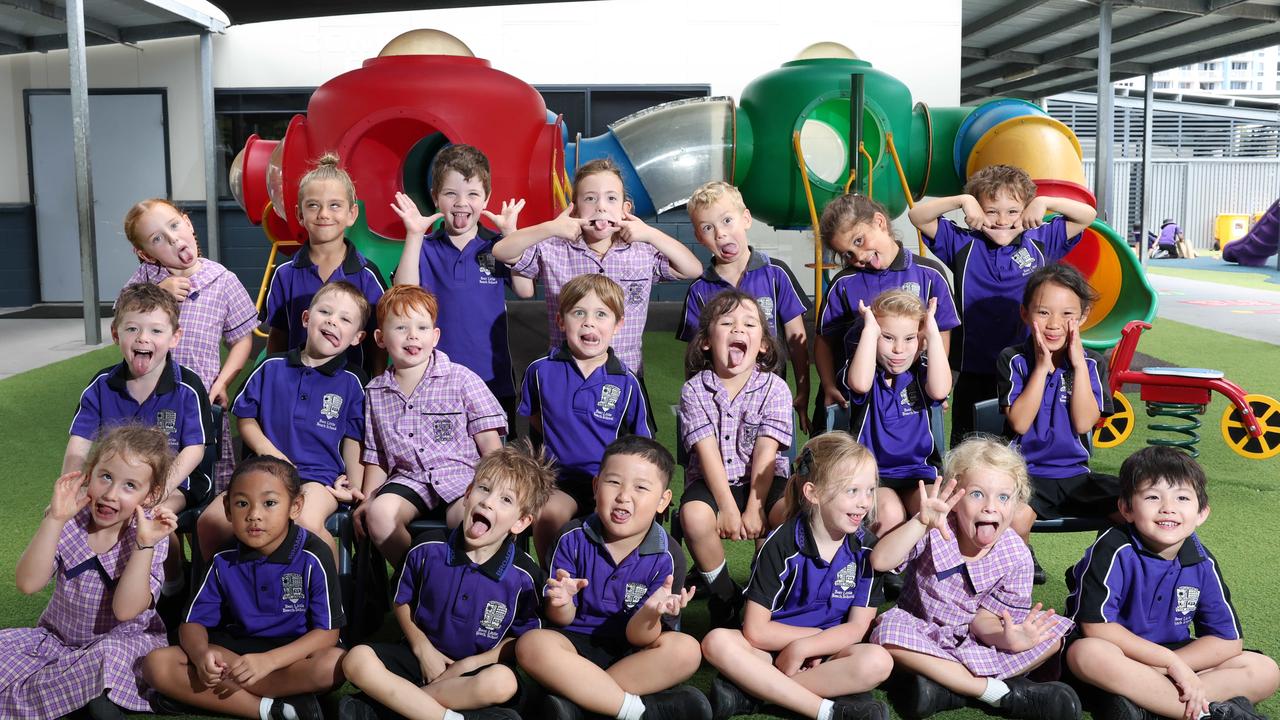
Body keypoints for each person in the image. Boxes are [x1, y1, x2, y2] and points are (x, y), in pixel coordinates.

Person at [339, 442, 558, 720]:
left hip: (472, 675)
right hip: (417, 660)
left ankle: (392, 709)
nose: (488, 502)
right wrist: (422, 648)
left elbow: (521, 640)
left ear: (521, 522)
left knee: (503, 682)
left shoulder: (525, 576)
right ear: (467, 495)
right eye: (484, 488)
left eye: (506, 500)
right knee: (356, 659)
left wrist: (467, 665)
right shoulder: (426, 548)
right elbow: (402, 601)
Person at [869, 436, 1078, 720]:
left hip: (975, 642)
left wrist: (1009, 638)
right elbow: (880, 561)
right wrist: (919, 521)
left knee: (1052, 636)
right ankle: (994, 693)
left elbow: (984, 621)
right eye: (977, 494)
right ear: (955, 499)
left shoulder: (1016, 554)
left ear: (1017, 503)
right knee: (887, 634)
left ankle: (946, 690)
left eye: (1003, 497)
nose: (991, 507)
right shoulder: (934, 528)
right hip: (919, 632)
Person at [1064, 447, 1279, 720]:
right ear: (1127, 508)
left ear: (1201, 513)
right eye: (1153, 496)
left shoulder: (1201, 561)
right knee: (1087, 653)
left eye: (1182, 497)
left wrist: (1174, 666)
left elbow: (1227, 642)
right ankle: (1205, 714)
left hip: (1169, 661)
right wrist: (1170, 663)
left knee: (1264, 670)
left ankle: (1151, 706)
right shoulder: (1113, 547)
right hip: (1119, 656)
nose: (1168, 508)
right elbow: (1097, 629)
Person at [492, 158, 701, 425]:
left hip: (625, 377)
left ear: (625, 209)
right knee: (560, 455)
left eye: (611, 198)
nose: (601, 206)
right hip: (566, 376)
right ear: (576, 208)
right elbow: (501, 251)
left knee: (629, 458)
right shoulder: (554, 247)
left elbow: (692, 268)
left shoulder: (642, 250)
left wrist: (649, 233)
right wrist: (552, 227)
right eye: (590, 199)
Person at [515, 436, 710, 720]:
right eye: (614, 482)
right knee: (531, 644)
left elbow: (640, 636)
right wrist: (561, 602)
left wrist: (651, 613)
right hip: (572, 648)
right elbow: (561, 620)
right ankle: (639, 711)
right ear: (596, 487)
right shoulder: (571, 537)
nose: (623, 495)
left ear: (663, 501)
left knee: (687, 650)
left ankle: (579, 702)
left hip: (632, 654)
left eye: (641, 488)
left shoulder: (668, 555)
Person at [701, 433, 893, 720]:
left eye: (870, 490)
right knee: (716, 642)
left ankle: (756, 693)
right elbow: (756, 631)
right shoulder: (780, 544)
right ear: (813, 493)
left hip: (830, 651)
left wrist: (808, 647)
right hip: (771, 649)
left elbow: (856, 629)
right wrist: (801, 644)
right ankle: (827, 710)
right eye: (852, 491)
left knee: (877, 662)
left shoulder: (869, 548)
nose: (864, 502)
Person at [142, 457, 345, 720]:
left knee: (335, 665)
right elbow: (192, 624)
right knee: (156, 664)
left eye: (270, 503)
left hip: (293, 656)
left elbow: (327, 634)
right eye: (241, 504)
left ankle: (208, 697)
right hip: (235, 653)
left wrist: (268, 662)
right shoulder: (222, 557)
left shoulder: (313, 554)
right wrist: (202, 655)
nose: (254, 515)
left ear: (295, 507)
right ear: (227, 510)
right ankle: (272, 710)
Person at [907, 165, 1096, 446]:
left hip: (1029, 366)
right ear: (977, 211)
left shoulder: (1041, 240)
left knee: (1020, 445)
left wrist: (1044, 202)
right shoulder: (962, 243)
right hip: (974, 368)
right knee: (970, 448)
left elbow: (1087, 215)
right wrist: (962, 200)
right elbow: (916, 216)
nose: (1002, 220)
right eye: (991, 211)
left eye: (1013, 211)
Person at [1, 425, 176, 720]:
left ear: (151, 495)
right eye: (105, 477)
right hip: (56, 641)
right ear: (89, 474)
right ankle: (71, 698)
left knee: (105, 660)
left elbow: (125, 611)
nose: (110, 494)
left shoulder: (149, 535)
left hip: (119, 644)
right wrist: (55, 519)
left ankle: (72, 698)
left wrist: (144, 546)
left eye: (130, 486)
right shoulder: (71, 519)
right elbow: (28, 583)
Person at [195, 281, 371, 562]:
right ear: (306, 318)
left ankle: (328, 601)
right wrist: (272, 454)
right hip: (263, 473)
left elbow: (354, 438)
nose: (332, 321)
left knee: (304, 527)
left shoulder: (354, 382)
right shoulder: (270, 367)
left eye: (345, 319)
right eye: (325, 311)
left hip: (318, 481)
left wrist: (352, 485)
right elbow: (246, 419)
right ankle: (219, 596)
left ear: (357, 338)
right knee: (211, 522)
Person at [66, 282, 213, 596]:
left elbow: (195, 449)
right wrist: (73, 483)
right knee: (74, 512)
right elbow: (79, 444)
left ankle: (171, 585)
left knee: (150, 516)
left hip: (177, 483)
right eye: (132, 328)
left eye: (156, 331)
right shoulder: (101, 385)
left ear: (175, 337)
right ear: (116, 334)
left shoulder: (188, 387)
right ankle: (92, 585)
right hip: (116, 480)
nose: (144, 338)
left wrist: (161, 489)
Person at [359, 285, 507, 564]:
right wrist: (368, 498)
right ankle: (419, 584)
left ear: (435, 336)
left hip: (462, 478)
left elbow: (491, 447)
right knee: (379, 514)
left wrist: (492, 490)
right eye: (401, 327)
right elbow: (377, 457)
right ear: (380, 337)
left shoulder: (462, 379)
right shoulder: (375, 392)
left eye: (422, 327)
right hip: (408, 479)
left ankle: (457, 587)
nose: (412, 335)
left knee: (470, 520)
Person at [391, 144, 535, 430]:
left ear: (486, 198)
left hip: (491, 378)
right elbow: (404, 293)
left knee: (492, 465)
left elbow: (525, 289)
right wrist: (414, 235)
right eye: (450, 194)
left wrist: (512, 236)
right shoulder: (425, 246)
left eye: (472, 194)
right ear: (435, 197)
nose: (461, 202)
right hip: (430, 376)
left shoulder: (498, 246)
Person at [122, 198, 257, 492]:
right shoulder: (143, 282)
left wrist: (222, 382)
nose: (172, 239)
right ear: (145, 254)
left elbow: (242, 340)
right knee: (149, 484)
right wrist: (158, 293)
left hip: (201, 401)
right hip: (149, 403)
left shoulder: (222, 280)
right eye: (157, 238)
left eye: (174, 226)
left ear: (188, 223)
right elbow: (123, 323)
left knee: (208, 488)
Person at [678, 289, 792, 627]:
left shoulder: (775, 388)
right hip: (713, 483)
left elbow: (766, 453)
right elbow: (706, 451)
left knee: (792, 512)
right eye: (726, 322)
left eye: (749, 323)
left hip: (764, 482)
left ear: (764, 345)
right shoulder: (694, 389)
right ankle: (723, 593)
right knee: (695, 516)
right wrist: (728, 507)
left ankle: (763, 585)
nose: (738, 329)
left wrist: (755, 507)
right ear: (706, 342)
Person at [520, 273, 652, 562]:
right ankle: (551, 582)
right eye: (578, 313)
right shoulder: (540, 371)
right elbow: (533, 417)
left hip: (609, 480)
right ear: (560, 321)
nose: (589, 322)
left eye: (601, 314)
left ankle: (603, 583)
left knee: (616, 521)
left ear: (618, 325)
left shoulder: (627, 381)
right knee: (548, 514)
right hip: (557, 480)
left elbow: (641, 445)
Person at [814, 193, 958, 436]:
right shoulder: (843, 283)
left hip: (908, 398)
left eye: (858, 241)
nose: (857, 257)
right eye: (847, 254)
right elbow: (824, 341)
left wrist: (935, 381)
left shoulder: (929, 274)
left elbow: (940, 334)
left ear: (879, 222)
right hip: (854, 398)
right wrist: (828, 385)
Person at [997, 263, 1119, 548]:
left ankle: (1098, 570)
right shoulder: (1013, 359)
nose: (1054, 324)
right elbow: (1020, 423)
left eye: (1067, 314)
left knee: (1136, 507)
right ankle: (1020, 569)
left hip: (1076, 476)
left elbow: (1083, 424)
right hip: (1025, 475)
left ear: (1083, 316)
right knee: (1015, 519)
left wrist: (1076, 366)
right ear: (1025, 313)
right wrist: (1041, 368)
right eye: (1043, 312)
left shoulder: (1090, 363)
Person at [679, 181, 812, 432]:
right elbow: (694, 356)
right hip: (718, 406)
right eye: (708, 227)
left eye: (727, 220)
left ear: (746, 219)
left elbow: (797, 339)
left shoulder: (776, 274)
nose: (720, 233)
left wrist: (803, 390)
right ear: (698, 236)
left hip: (770, 401)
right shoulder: (699, 289)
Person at [263, 152, 387, 372]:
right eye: (312, 205)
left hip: (349, 395)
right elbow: (278, 337)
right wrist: (273, 381)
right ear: (299, 214)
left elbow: (376, 345)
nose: (323, 214)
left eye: (335, 205)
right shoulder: (284, 274)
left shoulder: (367, 275)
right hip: (296, 387)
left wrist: (374, 387)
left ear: (352, 213)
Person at [843, 290, 951, 534]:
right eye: (888, 337)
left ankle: (919, 572)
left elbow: (941, 389)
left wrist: (932, 333)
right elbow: (859, 384)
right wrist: (870, 329)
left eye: (910, 338)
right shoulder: (865, 371)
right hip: (873, 475)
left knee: (933, 510)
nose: (899, 349)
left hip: (919, 473)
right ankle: (885, 572)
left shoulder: (922, 371)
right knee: (890, 514)